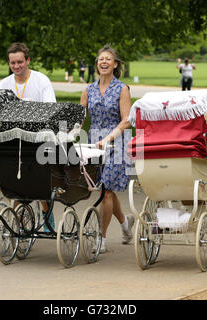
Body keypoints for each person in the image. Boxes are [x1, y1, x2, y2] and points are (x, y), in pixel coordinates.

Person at [80, 45, 135, 253]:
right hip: (94, 143)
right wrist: (69, 132)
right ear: (97, 64)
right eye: (100, 59)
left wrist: (109, 138)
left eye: (108, 59)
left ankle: (101, 239)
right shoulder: (88, 89)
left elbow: (126, 121)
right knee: (106, 191)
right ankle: (124, 223)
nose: (104, 62)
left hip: (117, 142)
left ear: (115, 64)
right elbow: (81, 118)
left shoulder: (122, 88)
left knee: (106, 191)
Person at [0, 42, 56, 232]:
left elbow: (50, 108)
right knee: (13, 179)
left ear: (28, 60)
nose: (16, 66)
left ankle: (47, 214)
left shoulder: (41, 80)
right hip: (13, 140)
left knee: (38, 179)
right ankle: (17, 218)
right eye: (13, 63)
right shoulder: (4, 84)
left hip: (37, 139)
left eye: (20, 62)